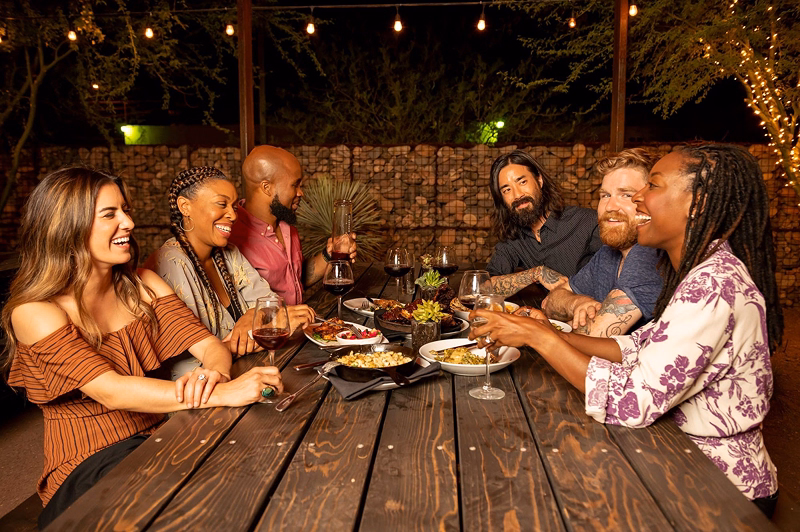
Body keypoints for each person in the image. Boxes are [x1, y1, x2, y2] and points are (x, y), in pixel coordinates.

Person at [471, 145, 783, 516]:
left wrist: (538, 337)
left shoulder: (714, 285)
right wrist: (549, 331)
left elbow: (633, 400)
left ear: (696, 204)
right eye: (607, 194)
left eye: (651, 186)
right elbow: (637, 347)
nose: (637, 200)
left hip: (719, 487)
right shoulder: (700, 269)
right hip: (673, 454)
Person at [0, 168, 283, 529]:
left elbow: (210, 345)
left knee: (251, 474)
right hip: (90, 462)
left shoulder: (144, 285)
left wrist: (214, 374)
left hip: (162, 434)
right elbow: (111, 391)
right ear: (66, 226)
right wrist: (223, 393)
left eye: (125, 210)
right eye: (110, 214)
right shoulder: (36, 312)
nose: (129, 222)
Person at [146, 166, 315, 373]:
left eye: (234, 206)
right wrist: (256, 328)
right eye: (221, 204)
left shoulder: (227, 252)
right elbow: (190, 362)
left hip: (246, 371)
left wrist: (252, 316)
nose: (233, 215)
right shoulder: (171, 262)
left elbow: (271, 305)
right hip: (203, 394)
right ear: (185, 207)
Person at [538, 148, 663, 336]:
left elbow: (594, 337)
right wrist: (577, 303)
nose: (610, 206)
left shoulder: (649, 253)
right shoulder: (608, 253)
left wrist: (575, 323)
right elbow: (550, 302)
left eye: (626, 195)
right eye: (605, 195)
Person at [228, 145, 357, 305]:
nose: (300, 193)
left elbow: (296, 279)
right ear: (266, 188)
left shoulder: (287, 226)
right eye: (294, 185)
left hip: (300, 327)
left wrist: (330, 254)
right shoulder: (232, 235)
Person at [486, 150, 602, 294]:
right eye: (507, 190)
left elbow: (620, 278)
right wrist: (535, 274)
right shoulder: (513, 238)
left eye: (522, 182)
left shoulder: (586, 222)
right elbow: (486, 286)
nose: (517, 195)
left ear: (539, 180)